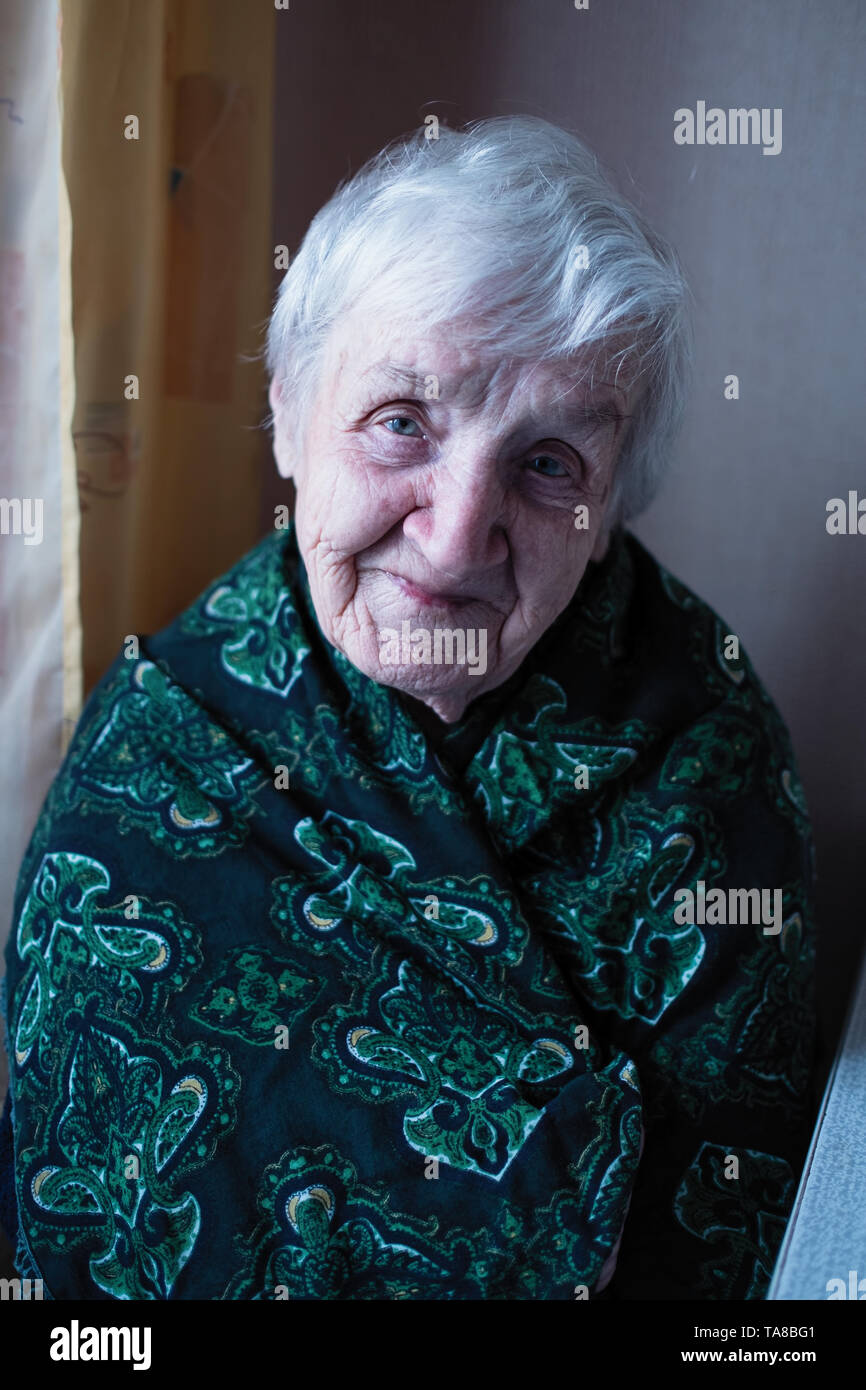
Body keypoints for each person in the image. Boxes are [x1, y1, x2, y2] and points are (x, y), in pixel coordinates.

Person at [0, 116, 816, 1300]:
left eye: (546, 464)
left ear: (609, 515)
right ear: (287, 415)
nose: (452, 533)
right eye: (402, 421)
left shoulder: (711, 757)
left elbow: (725, 1265)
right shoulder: (158, 748)